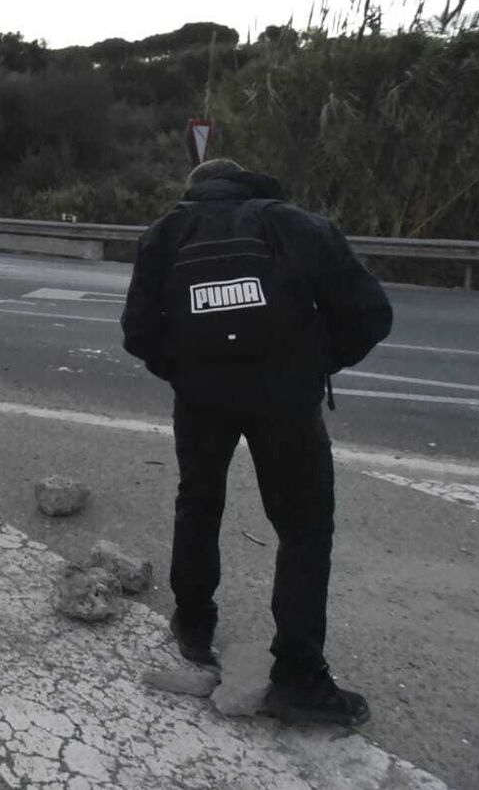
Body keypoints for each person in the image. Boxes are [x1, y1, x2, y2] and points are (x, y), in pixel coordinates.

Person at [120, 158, 391, 727]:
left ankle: (193, 626)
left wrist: (186, 372)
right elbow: (371, 314)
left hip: (201, 400)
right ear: (251, 183)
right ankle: (298, 678)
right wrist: (313, 364)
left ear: (194, 190)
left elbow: (138, 332)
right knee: (303, 528)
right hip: (285, 401)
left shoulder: (166, 233)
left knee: (198, 503)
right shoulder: (298, 226)